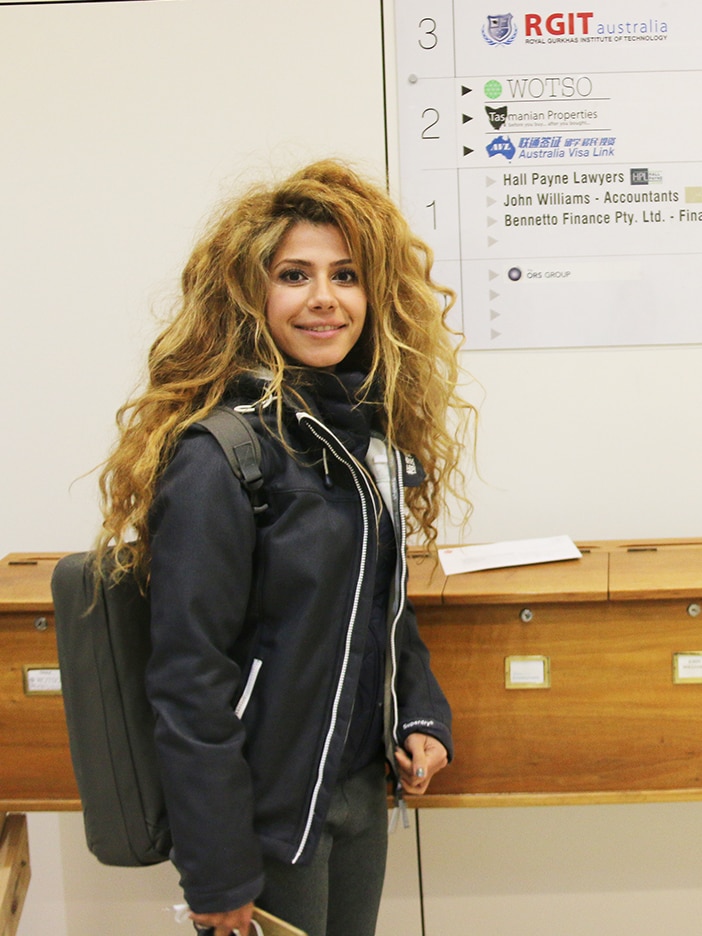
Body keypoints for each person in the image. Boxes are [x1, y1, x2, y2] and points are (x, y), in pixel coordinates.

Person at [95, 159, 474, 936]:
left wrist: (421, 717)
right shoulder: (220, 456)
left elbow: (383, 612)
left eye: (346, 275)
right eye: (294, 274)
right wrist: (218, 869)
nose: (325, 299)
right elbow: (189, 679)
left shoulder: (361, 440)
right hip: (268, 819)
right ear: (249, 295)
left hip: (359, 795)